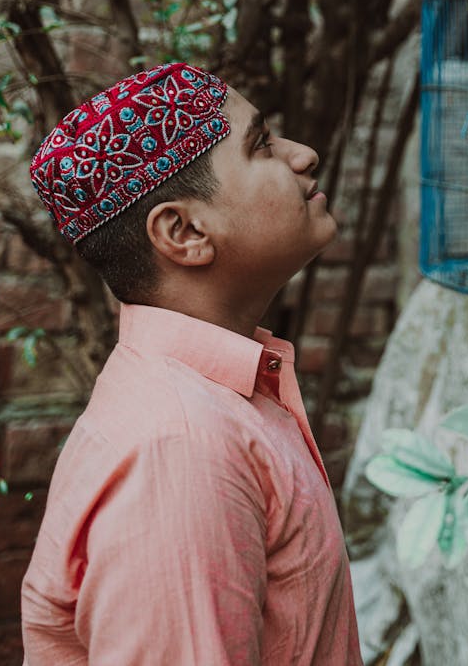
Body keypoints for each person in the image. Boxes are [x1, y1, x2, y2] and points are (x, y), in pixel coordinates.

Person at [21, 61, 363, 665]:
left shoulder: (208, 405)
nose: (304, 155)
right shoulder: (181, 451)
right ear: (183, 232)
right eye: (260, 146)